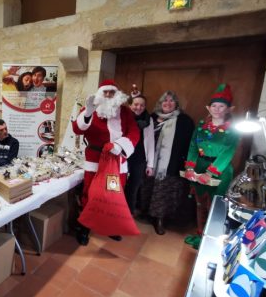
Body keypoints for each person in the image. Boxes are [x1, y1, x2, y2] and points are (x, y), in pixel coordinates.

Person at [71, 79, 140, 245]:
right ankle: (84, 227)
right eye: (105, 92)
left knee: (113, 194)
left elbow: (134, 132)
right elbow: (77, 129)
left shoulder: (124, 112)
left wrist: (120, 145)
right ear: (99, 93)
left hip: (116, 163)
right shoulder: (90, 108)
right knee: (89, 194)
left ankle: (111, 226)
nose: (108, 95)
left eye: (112, 92)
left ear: (117, 95)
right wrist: (87, 112)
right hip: (94, 161)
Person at [184, 84, 239, 245]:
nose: (217, 109)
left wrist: (210, 173)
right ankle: (200, 234)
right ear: (208, 108)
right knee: (200, 203)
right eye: (214, 106)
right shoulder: (201, 126)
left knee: (215, 206)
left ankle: (211, 239)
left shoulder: (233, 130)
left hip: (220, 172)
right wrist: (190, 167)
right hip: (199, 167)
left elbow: (228, 152)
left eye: (221, 106)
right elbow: (193, 147)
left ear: (229, 109)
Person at [140, 91, 194, 235]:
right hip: (150, 162)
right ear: (160, 103)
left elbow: (189, 144)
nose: (168, 103)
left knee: (163, 193)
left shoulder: (184, 121)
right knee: (148, 189)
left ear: (176, 104)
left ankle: (160, 220)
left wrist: (186, 164)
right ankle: (147, 213)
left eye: (171, 101)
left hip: (170, 164)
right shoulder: (151, 118)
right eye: (165, 101)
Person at [124, 93, 155, 216]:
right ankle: (118, 211)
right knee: (120, 185)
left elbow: (151, 141)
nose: (139, 107)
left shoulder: (149, 119)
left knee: (134, 186)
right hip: (124, 156)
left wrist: (150, 165)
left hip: (140, 157)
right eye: (136, 104)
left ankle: (129, 213)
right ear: (130, 105)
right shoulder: (124, 117)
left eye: (142, 105)